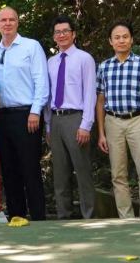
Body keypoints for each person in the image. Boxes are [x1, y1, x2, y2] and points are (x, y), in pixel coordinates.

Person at [0, 7, 48, 221]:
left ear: (18, 22)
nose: (7, 23)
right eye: (3, 20)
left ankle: (39, 217)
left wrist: (35, 111)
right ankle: (17, 215)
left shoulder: (31, 47)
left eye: (12, 19)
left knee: (30, 167)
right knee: (9, 169)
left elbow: (41, 80)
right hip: (1, 117)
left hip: (26, 115)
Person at [96, 21, 140, 219]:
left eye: (125, 36)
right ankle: (126, 219)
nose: (121, 40)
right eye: (117, 37)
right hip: (113, 122)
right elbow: (100, 101)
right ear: (110, 42)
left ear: (132, 40)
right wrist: (101, 133)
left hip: (138, 120)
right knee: (118, 175)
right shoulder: (104, 67)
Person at [43, 15, 97, 219]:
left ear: (73, 34)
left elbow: (90, 92)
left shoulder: (84, 59)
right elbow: (48, 95)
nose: (62, 35)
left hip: (76, 118)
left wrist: (86, 125)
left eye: (66, 31)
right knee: (60, 173)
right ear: (54, 37)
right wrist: (48, 125)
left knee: (82, 171)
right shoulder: (51, 62)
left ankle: (88, 216)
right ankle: (63, 216)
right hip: (56, 119)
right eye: (58, 32)